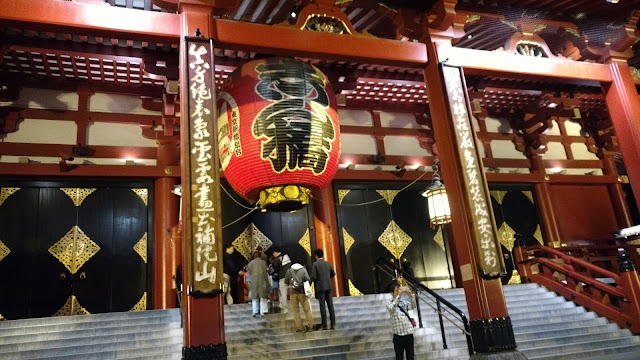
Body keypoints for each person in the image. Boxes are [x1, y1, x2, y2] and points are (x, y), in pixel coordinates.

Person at [387, 281, 416, 360]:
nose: (398, 292)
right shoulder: (389, 303)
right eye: (396, 291)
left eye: (399, 290)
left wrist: (410, 294)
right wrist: (398, 297)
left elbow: (413, 306)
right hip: (398, 335)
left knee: (411, 356)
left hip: (408, 333)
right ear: (392, 293)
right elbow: (391, 308)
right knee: (399, 357)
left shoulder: (404, 302)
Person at [284, 262, 314, 332]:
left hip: (293, 293)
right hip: (302, 292)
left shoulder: (289, 271)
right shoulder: (303, 270)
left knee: (296, 311)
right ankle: (310, 326)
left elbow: (286, 282)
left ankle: (300, 327)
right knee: (307, 310)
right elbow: (308, 279)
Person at [311, 248, 336, 330]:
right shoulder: (327, 263)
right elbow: (333, 273)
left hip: (320, 287)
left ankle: (325, 325)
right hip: (328, 286)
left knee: (322, 306)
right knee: (330, 306)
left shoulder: (315, 264)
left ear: (316, 256)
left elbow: (314, 276)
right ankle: (333, 324)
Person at [247, 250, 269, 316]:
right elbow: (266, 272)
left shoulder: (251, 263)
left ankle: (255, 311)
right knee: (263, 297)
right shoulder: (263, 263)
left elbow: (250, 272)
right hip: (262, 280)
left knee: (254, 297)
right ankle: (263, 311)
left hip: (254, 281)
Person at [272, 248, 292, 314]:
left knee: (283, 293)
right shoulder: (286, 256)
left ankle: (285, 308)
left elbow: (275, 268)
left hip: (282, 277)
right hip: (290, 276)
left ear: (275, 252)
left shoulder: (277, 259)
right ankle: (295, 307)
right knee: (293, 293)